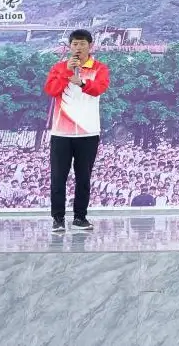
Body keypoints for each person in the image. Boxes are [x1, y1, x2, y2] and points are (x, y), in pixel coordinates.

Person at [43, 29, 110, 233]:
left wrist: (80, 82)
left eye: (82, 44)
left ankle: (80, 218)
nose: (78, 48)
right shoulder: (59, 67)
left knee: (83, 178)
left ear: (90, 46)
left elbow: (99, 89)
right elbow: (51, 90)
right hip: (61, 133)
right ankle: (58, 219)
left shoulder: (99, 68)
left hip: (88, 132)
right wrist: (66, 72)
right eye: (74, 44)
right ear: (70, 46)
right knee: (58, 178)